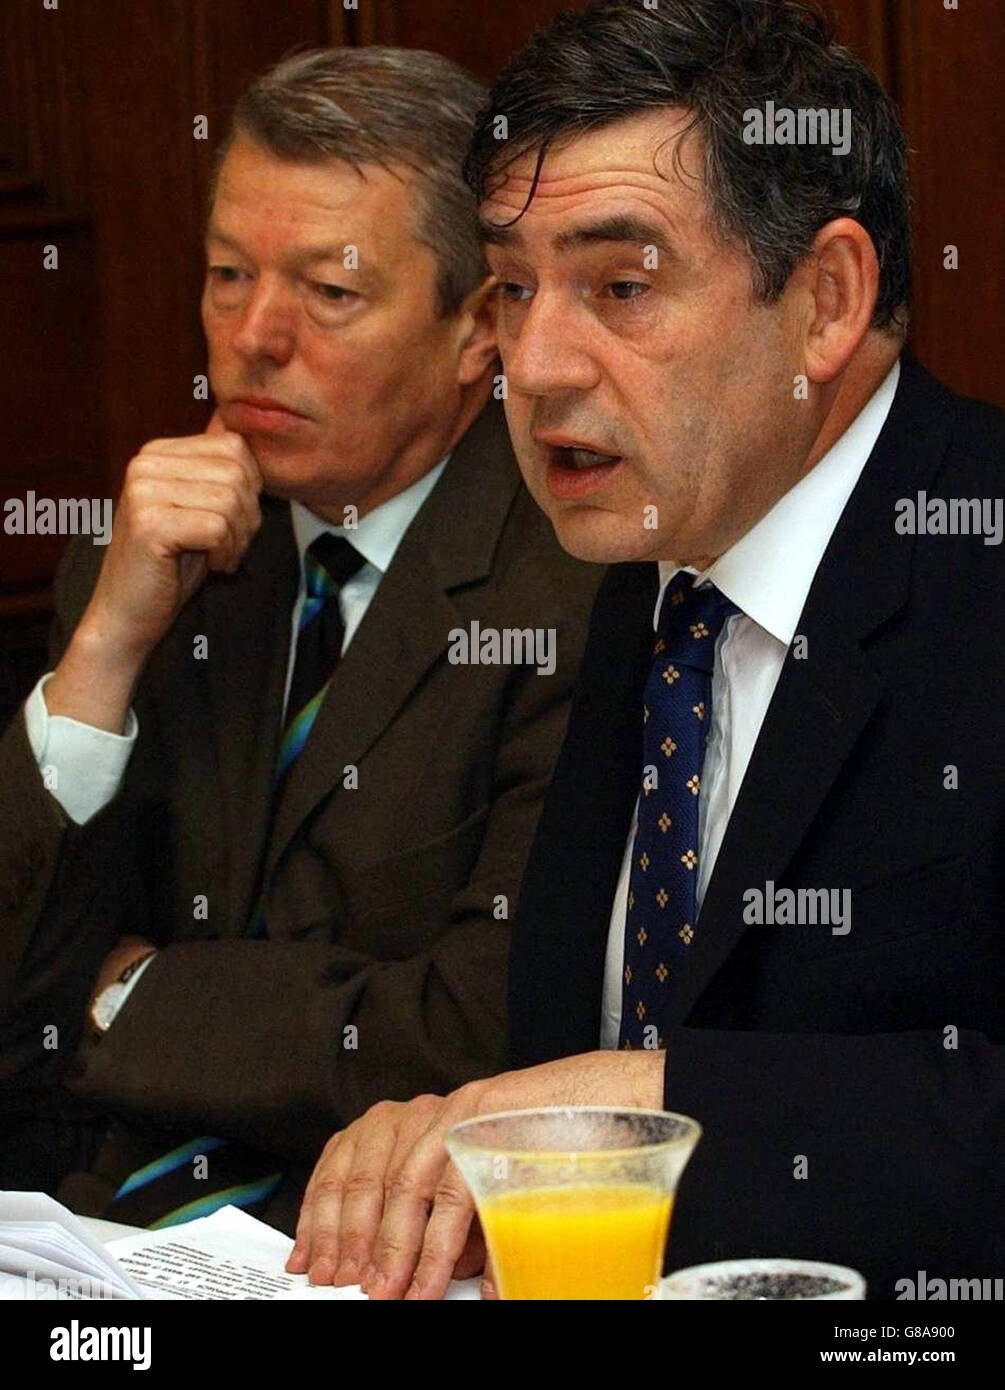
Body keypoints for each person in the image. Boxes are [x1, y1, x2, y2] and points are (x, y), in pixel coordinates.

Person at [290, 1, 1004, 1300]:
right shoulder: (640, 567)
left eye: (621, 286)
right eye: (512, 288)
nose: (538, 364)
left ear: (825, 300)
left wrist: (653, 1106)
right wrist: (467, 1132)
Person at [0, 47, 599, 1232]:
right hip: (93, 1227)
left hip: (378, 1241)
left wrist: (126, 998)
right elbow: (14, 995)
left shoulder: (577, 586)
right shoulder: (155, 555)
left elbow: (485, 1033)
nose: (254, 336)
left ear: (481, 326)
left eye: (330, 292)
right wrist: (108, 648)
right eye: (227, 275)